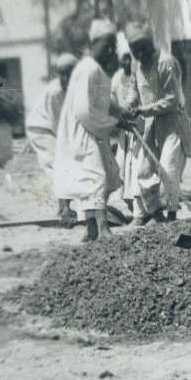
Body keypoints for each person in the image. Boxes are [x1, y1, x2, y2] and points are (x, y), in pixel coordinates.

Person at [53, 19, 133, 242]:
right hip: (85, 131)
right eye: (105, 45)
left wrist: (121, 113)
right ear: (93, 43)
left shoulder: (96, 70)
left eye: (112, 46)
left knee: (104, 175)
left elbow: (103, 101)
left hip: (95, 129)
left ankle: (91, 229)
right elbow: (84, 111)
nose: (109, 50)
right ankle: (102, 227)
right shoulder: (88, 69)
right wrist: (114, 124)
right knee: (95, 177)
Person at [125, 21, 191, 224]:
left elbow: (171, 100)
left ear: (151, 43)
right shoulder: (136, 64)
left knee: (168, 169)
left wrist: (142, 110)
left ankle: (172, 214)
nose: (141, 54)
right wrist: (129, 105)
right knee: (144, 171)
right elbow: (134, 88)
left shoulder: (166, 62)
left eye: (144, 48)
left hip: (172, 123)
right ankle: (156, 214)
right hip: (149, 125)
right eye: (136, 50)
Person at [25, 52, 78, 226]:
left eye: (68, 73)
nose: (65, 77)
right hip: (42, 127)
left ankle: (65, 206)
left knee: (66, 165)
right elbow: (58, 123)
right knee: (58, 164)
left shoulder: (76, 88)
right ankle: (64, 209)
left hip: (56, 128)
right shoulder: (55, 91)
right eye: (61, 73)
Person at [110, 50, 141, 214]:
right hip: (123, 126)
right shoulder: (116, 79)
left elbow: (134, 97)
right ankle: (128, 201)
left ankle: (137, 204)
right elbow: (113, 100)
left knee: (135, 164)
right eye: (123, 60)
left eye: (129, 59)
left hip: (137, 124)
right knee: (122, 166)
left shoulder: (138, 75)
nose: (126, 63)